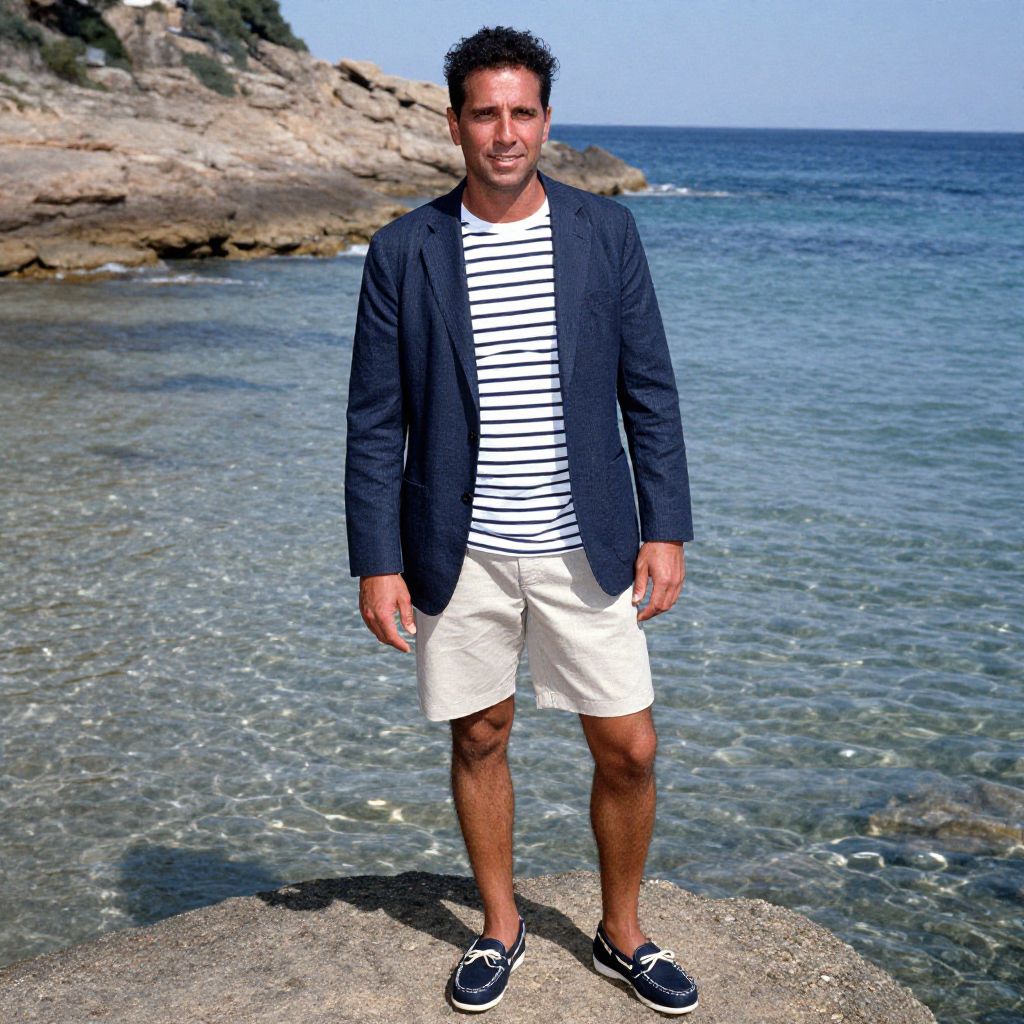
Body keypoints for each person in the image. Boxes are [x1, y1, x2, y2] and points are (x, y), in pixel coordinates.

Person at [344, 25, 698, 1016]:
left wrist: (665, 526)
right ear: (454, 123)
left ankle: (621, 930)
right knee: (480, 735)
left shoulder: (604, 232)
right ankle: (499, 928)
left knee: (629, 746)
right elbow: (374, 421)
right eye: (485, 114)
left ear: (546, 121)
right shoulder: (403, 250)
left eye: (522, 113)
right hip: (455, 546)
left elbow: (650, 390)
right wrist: (376, 560)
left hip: (588, 541)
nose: (505, 133)